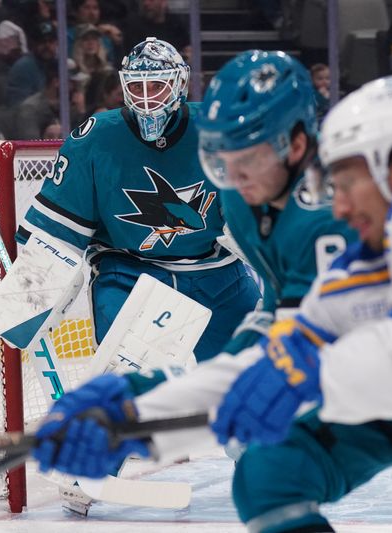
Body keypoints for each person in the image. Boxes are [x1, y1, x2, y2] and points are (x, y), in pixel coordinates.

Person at [30, 59, 392, 531]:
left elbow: (294, 362)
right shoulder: (249, 210)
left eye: (246, 155)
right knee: (270, 474)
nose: (232, 175)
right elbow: (269, 347)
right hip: (382, 403)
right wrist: (140, 406)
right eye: (220, 156)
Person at [15, 36, 261, 364]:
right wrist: (29, 302)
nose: (146, 100)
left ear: (180, 83)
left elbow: (253, 221)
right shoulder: (95, 138)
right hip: (130, 276)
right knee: (136, 384)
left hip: (216, 277)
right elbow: (55, 235)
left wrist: (279, 275)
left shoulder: (217, 131)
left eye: (157, 86)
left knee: (258, 373)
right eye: (137, 88)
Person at [5, 20, 57, 105]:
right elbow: (19, 109)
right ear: (34, 44)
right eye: (42, 42)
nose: (47, 46)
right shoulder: (23, 67)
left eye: (51, 41)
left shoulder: (58, 64)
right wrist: (49, 102)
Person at [122, 0, 188, 56]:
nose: (146, 3)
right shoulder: (133, 26)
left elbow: (187, 49)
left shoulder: (175, 24)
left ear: (163, 2)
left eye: (151, 0)